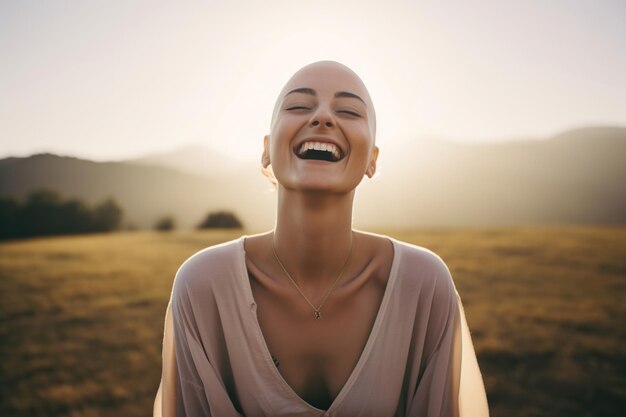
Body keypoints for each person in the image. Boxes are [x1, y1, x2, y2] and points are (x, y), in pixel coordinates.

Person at [153, 61, 489, 417]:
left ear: (372, 159)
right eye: (299, 106)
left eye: (348, 111)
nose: (323, 117)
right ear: (266, 150)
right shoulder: (203, 286)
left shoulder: (423, 284)